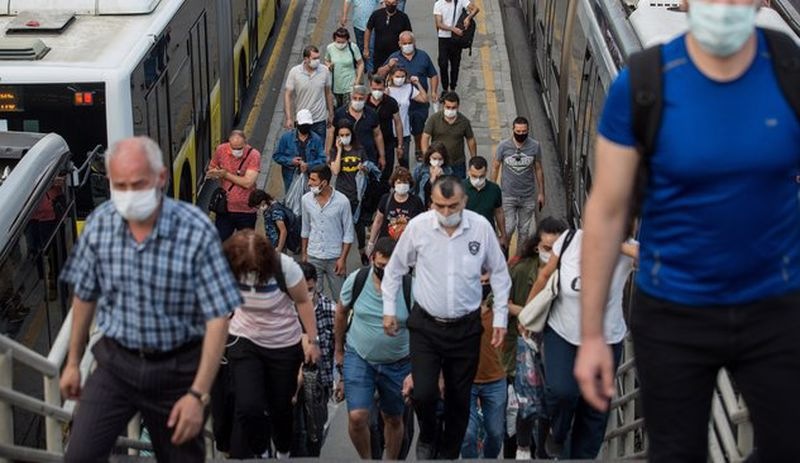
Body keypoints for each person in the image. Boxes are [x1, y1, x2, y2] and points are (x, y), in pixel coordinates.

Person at [575, 1, 800, 461]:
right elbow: (606, 210)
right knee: (676, 452)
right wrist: (593, 333)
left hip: (774, 307)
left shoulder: (789, 69)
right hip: (675, 311)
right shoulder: (643, 85)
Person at [59, 136, 242, 462]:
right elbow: (85, 295)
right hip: (116, 364)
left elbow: (217, 318)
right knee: (79, 455)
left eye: (138, 184)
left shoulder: (196, 229)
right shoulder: (100, 225)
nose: (129, 195)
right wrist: (73, 362)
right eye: (121, 185)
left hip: (177, 370)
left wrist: (197, 395)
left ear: (160, 178)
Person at [382, 176, 512, 459]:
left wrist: (500, 317)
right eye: (439, 206)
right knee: (425, 392)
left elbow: (500, 274)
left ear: (463, 202)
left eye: (452, 206)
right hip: (426, 327)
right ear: (432, 203)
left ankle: (450, 452)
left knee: (458, 399)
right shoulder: (418, 228)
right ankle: (428, 435)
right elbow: (393, 271)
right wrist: (389, 310)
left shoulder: (480, 228)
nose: (446, 213)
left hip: (465, 329)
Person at [527, 228, 637, 458]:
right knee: (562, 392)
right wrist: (528, 313)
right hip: (563, 333)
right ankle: (556, 434)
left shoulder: (628, 249)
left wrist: (615, 243)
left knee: (594, 410)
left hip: (605, 340)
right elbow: (545, 275)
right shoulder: (569, 240)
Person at [222, 230, 321, 459]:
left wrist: (312, 341)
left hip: (283, 344)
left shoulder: (285, 268)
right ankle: (261, 450)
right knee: (248, 406)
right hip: (245, 339)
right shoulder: (229, 264)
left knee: (281, 407)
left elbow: (303, 302)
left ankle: (283, 451)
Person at [334, 237, 413, 460]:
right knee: (358, 417)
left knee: (394, 418)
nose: (386, 271)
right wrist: (339, 350)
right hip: (360, 358)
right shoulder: (357, 280)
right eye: (381, 266)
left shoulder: (409, 287)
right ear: (372, 260)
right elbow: (340, 313)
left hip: (398, 363)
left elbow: (422, 330)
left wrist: (416, 369)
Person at [504, 217, 568, 459]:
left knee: (548, 404)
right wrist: (526, 314)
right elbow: (499, 301)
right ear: (536, 247)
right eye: (546, 248)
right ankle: (521, 448)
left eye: (557, 249)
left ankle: (542, 451)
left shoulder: (570, 272)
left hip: (557, 344)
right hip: (525, 345)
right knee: (525, 400)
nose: (551, 253)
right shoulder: (521, 270)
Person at [460, 275, 508, 459]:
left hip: (495, 380)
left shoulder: (501, 311)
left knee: (496, 434)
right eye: (479, 282)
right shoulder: (459, 311)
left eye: (487, 282)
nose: (483, 286)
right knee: (468, 434)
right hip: (466, 381)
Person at [292, 262, 336, 457]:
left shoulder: (329, 309)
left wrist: (340, 378)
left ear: (316, 284)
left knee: (315, 431)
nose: (306, 294)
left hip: (320, 382)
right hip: (291, 381)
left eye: (309, 289)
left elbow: (339, 344)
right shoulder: (285, 311)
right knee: (296, 432)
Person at [377, 31, 440, 162]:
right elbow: (379, 73)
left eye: (409, 43)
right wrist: (389, 66)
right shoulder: (394, 57)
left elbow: (433, 75)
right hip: (400, 105)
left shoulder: (423, 56)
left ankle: (418, 148)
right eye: (404, 43)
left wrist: (433, 91)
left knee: (419, 129)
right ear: (399, 44)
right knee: (399, 128)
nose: (407, 45)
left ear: (414, 42)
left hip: (418, 103)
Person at [301, 165, 355, 300]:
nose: (309, 183)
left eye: (313, 180)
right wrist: (304, 254)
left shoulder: (342, 202)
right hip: (313, 255)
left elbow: (348, 234)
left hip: (335, 258)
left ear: (324, 183)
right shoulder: (306, 200)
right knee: (312, 298)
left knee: (341, 298)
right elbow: (305, 229)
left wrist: (342, 259)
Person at [492, 117, 545, 252]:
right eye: (518, 131)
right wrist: (492, 189)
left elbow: (538, 168)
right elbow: (496, 167)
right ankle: (503, 254)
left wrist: (541, 193)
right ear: (513, 130)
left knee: (524, 231)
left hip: (527, 196)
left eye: (524, 131)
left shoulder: (535, 146)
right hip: (508, 195)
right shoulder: (503, 146)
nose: (521, 134)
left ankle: (518, 260)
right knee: (508, 228)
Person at [330, 120, 372, 265]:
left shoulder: (359, 149)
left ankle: (362, 252)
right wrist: (339, 150)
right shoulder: (335, 151)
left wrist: (364, 168)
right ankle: (341, 258)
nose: (344, 137)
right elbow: (335, 171)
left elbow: (368, 168)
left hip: (357, 196)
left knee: (359, 226)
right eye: (341, 135)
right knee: (341, 227)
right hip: (342, 195)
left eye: (347, 134)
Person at [207, 130, 261, 241]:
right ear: (229, 144)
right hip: (225, 210)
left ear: (245, 143)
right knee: (220, 244)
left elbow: (248, 183)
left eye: (240, 148)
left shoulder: (254, 155)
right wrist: (214, 173)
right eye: (234, 148)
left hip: (246, 211)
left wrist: (225, 174)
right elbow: (212, 167)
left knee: (246, 247)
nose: (237, 151)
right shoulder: (221, 150)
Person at [285, 46, 335, 143]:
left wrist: (331, 114)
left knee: (319, 150)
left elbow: (328, 93)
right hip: (302, 119)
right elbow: (288, 95)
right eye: (314, 58)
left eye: (318, 58)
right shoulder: (295, 72)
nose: (317, 61)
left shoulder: (324, 71)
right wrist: (289, 118)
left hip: (319, 120)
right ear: (306, 59)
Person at [368, 167, 425, 252]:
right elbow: (378, 221)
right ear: (394, 184)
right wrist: (371, 242)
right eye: (399, 182)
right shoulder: (386, 199)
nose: (402, 185)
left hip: (408, 246)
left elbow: (421, 224)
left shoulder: (416, 201)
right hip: (386, 246)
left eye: (405, 182)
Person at [421, 92, 477, 179]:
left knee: (459, 187)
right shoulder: (434, 119)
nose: (450, 110)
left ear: (458, 106)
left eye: (453, 107)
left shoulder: (464, 122)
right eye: (448, 107)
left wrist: (474, 159)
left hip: (457, 163)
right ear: (443, 105)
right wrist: (427, 157)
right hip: (439, 164)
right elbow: (425, 137)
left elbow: (470, 140)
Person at [328, 85, 386, 169]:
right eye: (355, 98)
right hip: (346, 158)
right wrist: (328, 154)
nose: (357, 101)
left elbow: (377, 135)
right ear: (351, 98)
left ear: (366, 98)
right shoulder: (340, 113)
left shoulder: (372, 114)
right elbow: (331, 133)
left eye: (360, 99)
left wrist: (382, 156)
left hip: (368, 156)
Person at [274, 109, 327, 194]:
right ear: (297, 124)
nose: (305, 127)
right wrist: (291, 161)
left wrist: (308, 165)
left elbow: (322, 159)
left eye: (307, 125)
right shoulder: (286, 138)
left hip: (311, 178)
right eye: (303, 125)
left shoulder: (316, 139)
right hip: (291, 179)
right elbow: (277, 156)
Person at [385, 65, 428, 167]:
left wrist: (417, 83)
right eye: (397, 76)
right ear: (391, 76)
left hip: (404, 131)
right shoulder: (386, 90)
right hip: (389, 131)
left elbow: (424, 99)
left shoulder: (409, 88)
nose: (400, 79)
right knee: (388, 163)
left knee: (404, 162)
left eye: (402, 76)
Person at [433, 0, 480, 92]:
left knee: (455, 64)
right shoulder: (438, 4)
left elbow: (476, 9)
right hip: (444, 38)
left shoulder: (461, 1)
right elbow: (439, 23)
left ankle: (453, 87)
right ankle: (445, 88)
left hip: (456, 38)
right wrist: (452, 29)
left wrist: (468, 18)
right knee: (443, 64)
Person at [463, 156, 507, 252]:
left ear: (486, 172)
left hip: (488, 234)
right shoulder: (460, 188)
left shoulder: (494, 189)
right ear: (468, 172)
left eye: (481, 176)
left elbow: (499, 212)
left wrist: (503, 235)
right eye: (474, 176)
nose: (478, 180)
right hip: (466, 235)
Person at [366, 75, 404, 183]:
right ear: (370, 87)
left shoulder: (391, 102)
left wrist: (400, 145)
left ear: (385, 88)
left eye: (380, 89)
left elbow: (398, 123)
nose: (377, 92)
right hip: (369, 145)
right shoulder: (364, 103)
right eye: (374, 89)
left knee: (386, 173)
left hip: (388, 143)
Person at [364, 0, 412, 83]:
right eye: (388, 3)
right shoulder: (376, 14)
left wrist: (409, 50)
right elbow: (368, 30)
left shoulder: (403, 17)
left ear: (397, 3)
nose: (391, 6)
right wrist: (366, 48)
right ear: (385, 2)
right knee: (379, 78)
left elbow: (409, 35)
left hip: (397, 55)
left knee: (395, 78)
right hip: (379, 55)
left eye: (393, 3)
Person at [325, 28, 365, 109]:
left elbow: (360, 64)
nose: (340, 44)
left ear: (347, 40)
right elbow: (326, 60)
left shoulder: (353, 47)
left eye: (343, 42)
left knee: (348, 109)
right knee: (336, 110)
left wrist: (357, 81)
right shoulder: (330, 48)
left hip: (349, 86)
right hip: (335, 86)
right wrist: (328, 65)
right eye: (338, 42)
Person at [339, 0, 380, 74]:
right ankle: (362, 65)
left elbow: (383, 2)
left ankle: (370, 70)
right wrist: (344, 16)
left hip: (372, 26)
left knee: (370, 47)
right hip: (358, 24)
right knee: (360, 46)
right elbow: (347, 2)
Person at [412, 143, 452, 207]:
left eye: (440, 159)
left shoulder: (447, 170)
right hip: (423, 204)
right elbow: (412, 187)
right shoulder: (420, 168)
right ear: (429, 157)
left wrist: (443, 178)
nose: (437, 162)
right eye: (434, 158)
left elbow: (450, 190)